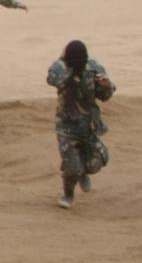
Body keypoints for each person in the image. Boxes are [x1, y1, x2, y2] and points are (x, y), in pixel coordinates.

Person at [47, 40, 116, 209]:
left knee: (96, 163)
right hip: (67, 126)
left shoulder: (94, 68)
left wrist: (105, 86)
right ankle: (68, 194)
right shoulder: (60, 68)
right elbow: (52, 80)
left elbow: (105, 96)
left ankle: (83, 171)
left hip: (89, 126)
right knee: (73, 169)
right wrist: (70, 71)